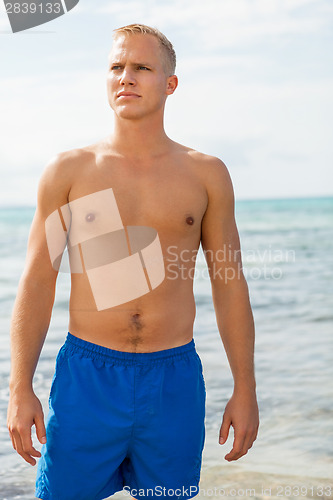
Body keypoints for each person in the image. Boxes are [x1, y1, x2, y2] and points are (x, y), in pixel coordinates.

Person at [7, 24, 259, 500]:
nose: (126, 77)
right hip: (88, 377)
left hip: (173, 379)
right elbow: (38, 281)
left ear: (170, 83)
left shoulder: (206, 174)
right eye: (116, 67)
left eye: (142, 67)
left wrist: (245, 388)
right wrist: (19, 387)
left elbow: (229, 284)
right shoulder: (69, 171)